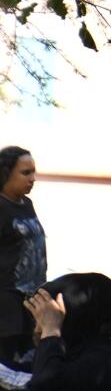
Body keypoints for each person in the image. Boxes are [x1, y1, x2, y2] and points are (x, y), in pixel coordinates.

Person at [0, 147, 48, 360]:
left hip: (32, 297)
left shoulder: (27, 204)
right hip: (8, 301)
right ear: (6, 173)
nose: (32, 178)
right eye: (25, 173)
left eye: (33, 172)